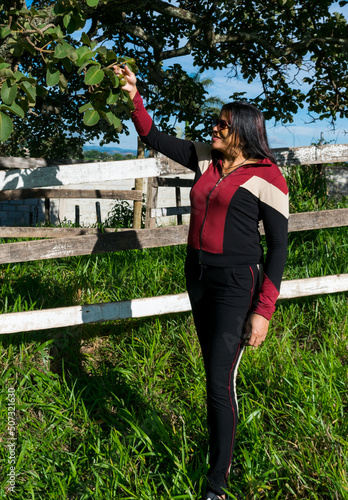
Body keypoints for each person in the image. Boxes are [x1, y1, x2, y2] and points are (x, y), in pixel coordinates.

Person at [114, 64, 289, 500]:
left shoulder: (269, 176)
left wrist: (263, 310)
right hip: (197, 275)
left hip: (237, 283)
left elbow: (280, 249)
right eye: (215, 122)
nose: (213, 128)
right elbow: (153, 136)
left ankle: (217, 484)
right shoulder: (205, 157)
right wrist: (134, 94)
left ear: (243, 132)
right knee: (212, 374)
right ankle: (216, 458)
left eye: (222, 125)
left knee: (218, 380)